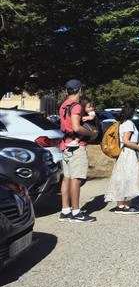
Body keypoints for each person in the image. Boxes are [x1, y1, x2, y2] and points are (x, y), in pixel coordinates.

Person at [57, 79, 96, 223]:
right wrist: (90, 133)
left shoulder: (63, 105)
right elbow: (75, 127)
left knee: (66, 177)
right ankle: (76, 212)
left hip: (65, 145)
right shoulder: (76, 106)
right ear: (79, 90)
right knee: (76, 178)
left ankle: (65, 210)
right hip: (76, 146)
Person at [105, 105, 139, 214]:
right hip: (129, 153)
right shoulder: (129, 123)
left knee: (120, 177)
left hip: (122, 153)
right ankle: (127, 206)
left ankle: (120, 205)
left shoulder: (121, 123)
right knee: (129, 177)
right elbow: (126, 141)